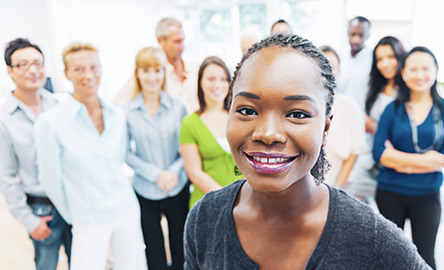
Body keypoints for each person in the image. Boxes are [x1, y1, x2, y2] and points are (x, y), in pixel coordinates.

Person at [184, 34, 430, 269]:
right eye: (248, 110)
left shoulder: (370, 235)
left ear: (325, 128)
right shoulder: (204, 219)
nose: (268, 134)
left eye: (297, 114)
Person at [34, 42, 147, 270]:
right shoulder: (51, 123)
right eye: (79, 69)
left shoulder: (117, 115)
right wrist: (75, 214)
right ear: (66, 74)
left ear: (101, 68)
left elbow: (118, 160)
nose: (88, 75)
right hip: (87, 217)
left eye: (93, 67)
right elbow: (50, 180)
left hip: (125, 208)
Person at [0, 38, 72, 270]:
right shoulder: (0, 121)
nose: (33, 70)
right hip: (42, 211)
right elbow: (5, 178)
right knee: (46, 265)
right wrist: (29, 221)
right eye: (23, 65)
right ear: (9, 71)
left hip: (73, 203)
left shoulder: (60, 106)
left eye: (37, 63)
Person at [373, 46, 444, 269]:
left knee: (425, 258)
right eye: (413, 69)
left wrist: (400, 161)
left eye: (425, 69)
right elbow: (379, 153)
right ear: (404, 73)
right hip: (390, 192)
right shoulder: (393, 109)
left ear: (436, 71)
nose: (419, 75)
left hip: (427, 196)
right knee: (390, 257)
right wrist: (426, 161)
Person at [123, 47, 188, 270]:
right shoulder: (127, 111)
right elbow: (125, 153)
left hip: (177, 186)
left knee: (181, 247)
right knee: (153, 251)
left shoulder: (179, 107)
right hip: (145, 189)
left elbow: (188, 148)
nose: (152, 77)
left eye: (157, 70)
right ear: (137, 73)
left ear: (164, 73)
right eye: (146, 71)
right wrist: (156, 174)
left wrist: (173, 171)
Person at [347, 36, 406, 202]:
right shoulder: (374, 86)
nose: (385, 64)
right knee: (356, 211)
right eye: (380, 59)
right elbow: (362, 117)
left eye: (391, 57)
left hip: (394, 165)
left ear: (400, 56)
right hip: (368, 162)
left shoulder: (409, 90)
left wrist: (375, 128)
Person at [179, 56, 242, 208]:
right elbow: (194, 172)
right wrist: (227, 198)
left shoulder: (241, 117)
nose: (218, 85)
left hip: (245, 201)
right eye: (211, 79)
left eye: (223, 79)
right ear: (200, 82)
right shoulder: (189, 123)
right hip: (209, 204)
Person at [319, 45, 366, 188]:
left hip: (336, 186)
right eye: (321, 65)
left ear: (338, 72)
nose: (326, 71)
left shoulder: (350, 107)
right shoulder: (299, 105)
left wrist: (336, 190)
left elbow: (354, 153)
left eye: (332, 67)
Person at [156, 17, 198, 112]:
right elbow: (117, 103)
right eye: (177, 42)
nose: (182, 47)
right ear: (160, 41)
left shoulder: (193, 69)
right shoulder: (154, 74)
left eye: (183, 40)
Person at [337, 16, 372, 110]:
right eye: (352, 34)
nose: (355, 40)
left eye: (361, 35)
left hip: (362, 117)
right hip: (339, 113)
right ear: (347, 33)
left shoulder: (373, 60)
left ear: (368, 35)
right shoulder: (339, 58)